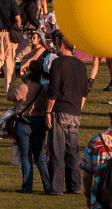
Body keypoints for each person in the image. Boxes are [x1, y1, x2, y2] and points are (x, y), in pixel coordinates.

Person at [44, 34, 87, 196]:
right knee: (72, 151)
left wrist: (48, 111)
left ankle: (56, 187)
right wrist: (78, 108)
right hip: (75, 112)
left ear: (62, 45)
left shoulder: (57, 63)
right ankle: (74, 185)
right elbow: (84, 92)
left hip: (59, 110)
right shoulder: (81, 65)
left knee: (56, 150)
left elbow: (53, 90)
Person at [10, 61, 52, 195]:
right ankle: (48, 186)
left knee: (26, 156)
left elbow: (9, 96)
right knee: (40, 156)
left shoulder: (23, 88)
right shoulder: (44, 89)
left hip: (24, 122)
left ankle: (27, 187)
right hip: (39, 121)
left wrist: (13, 80)